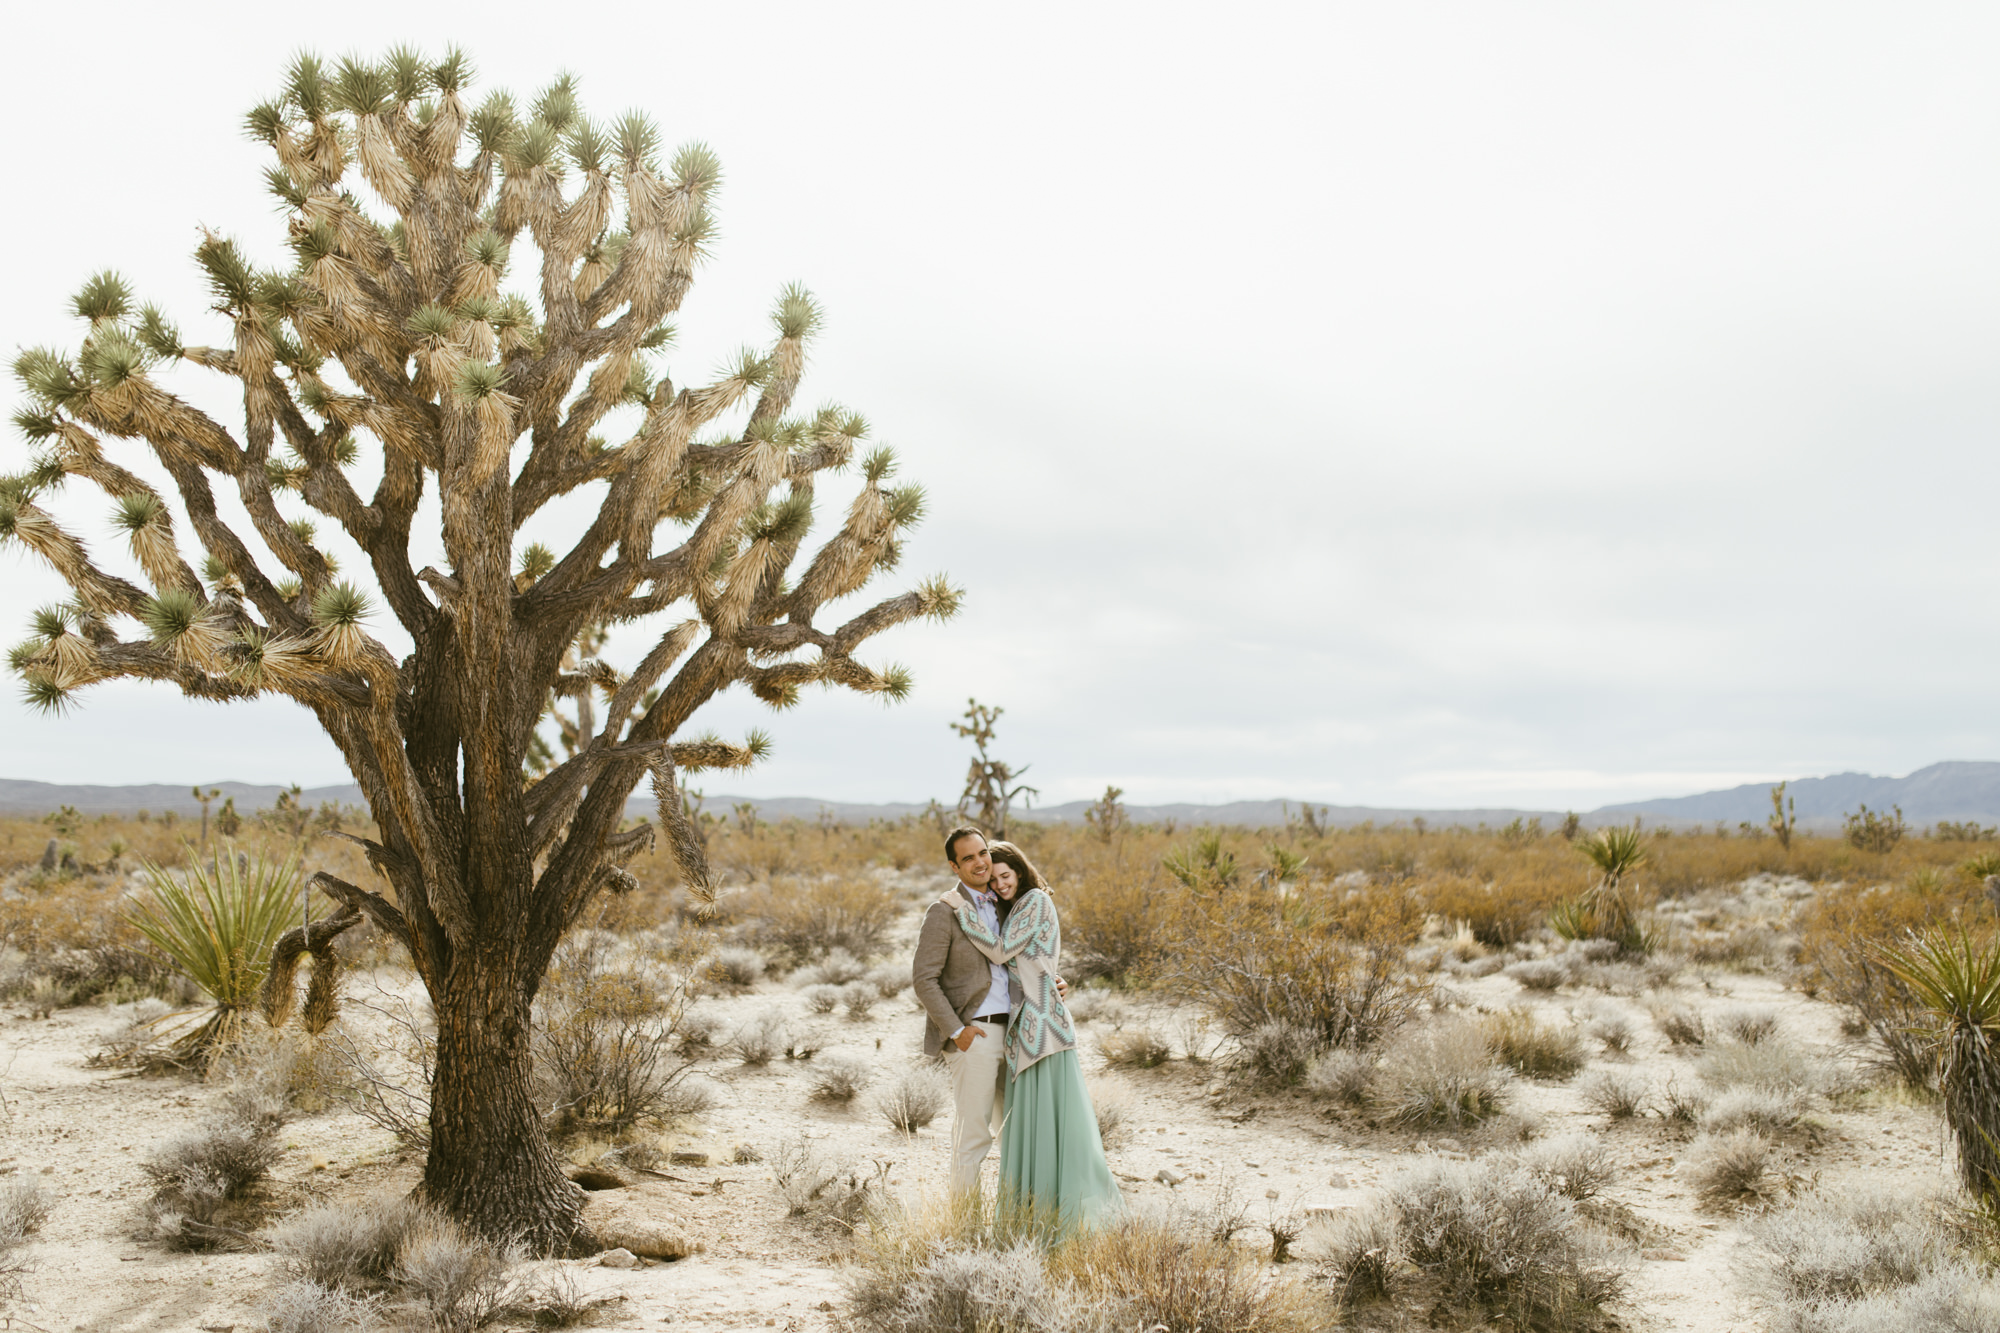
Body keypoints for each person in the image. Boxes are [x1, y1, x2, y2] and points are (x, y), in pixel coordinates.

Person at [949, 840, 1121, 1234]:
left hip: (1043, 1026)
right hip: (1027, 1026)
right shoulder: (1016, 907)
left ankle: (1059, 1217)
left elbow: (1001, 951)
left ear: (1021, 872)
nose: (1000, 885)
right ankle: (1034, 1216)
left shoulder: (1035, 902)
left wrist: (962, 911)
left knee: (1047, 1120)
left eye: (1005, 876)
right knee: (1030, 1121)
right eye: (993, 881)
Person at [912, 825, 1019, 1198]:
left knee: (1017, 1132)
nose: (980, 862)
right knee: (974, 1134)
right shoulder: (943, 912)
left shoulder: (1007, 903)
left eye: (983, 853)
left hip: (1017, 1034)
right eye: (968, 857)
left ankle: (1016, 1219)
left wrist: (1055, 982)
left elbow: (1022, 958)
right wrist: (958, 1032)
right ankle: (963, 1224)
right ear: (954, 867)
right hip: (975, 1036)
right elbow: (924, 979)